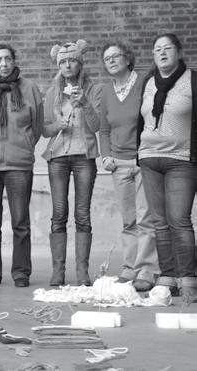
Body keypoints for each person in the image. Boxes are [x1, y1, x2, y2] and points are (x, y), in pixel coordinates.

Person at [0, 44, 43, 288]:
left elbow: (37, 125)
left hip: (19, 164)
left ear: (14, 62)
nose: (4, 63)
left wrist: (24, 146)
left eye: (8, 59)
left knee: (20, 222)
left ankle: (21, 272)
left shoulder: (29, 88)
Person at [137, 33, 197, 303]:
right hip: (150, 158)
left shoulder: (192, 80)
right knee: (160, 223)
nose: (162, 53)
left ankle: (189, 279)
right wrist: (139, 154)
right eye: (157, 49)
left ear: (179, 51)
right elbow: (142, 121)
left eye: (167, 48)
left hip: (181, 160)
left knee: (179, 221)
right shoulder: (149, 83)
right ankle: (168, 276)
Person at [99, 40, 159, 292]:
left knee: (147, 218)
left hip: (143, 160)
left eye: (115, 56)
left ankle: (147, 269)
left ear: (128, 58)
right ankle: (129, 266)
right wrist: (105, 156)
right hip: (119, 164)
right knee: (128, 220)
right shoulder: (106, 91)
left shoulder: (145, 84)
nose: (111, 60)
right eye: (107, 58)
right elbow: (103, 128)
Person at [42, 40, 101, 287]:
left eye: (72, 60)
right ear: (59, 65)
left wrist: (83, 102)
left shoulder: (94, 89)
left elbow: (98, 125)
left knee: (82, 215)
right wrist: (58, 126)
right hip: (57, 157)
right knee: (58, 214)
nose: (68, 65)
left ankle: (82, 273)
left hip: (84, 157)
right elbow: (44, 129)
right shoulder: (51, 92)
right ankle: (58, 272)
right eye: (63, 61)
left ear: (80, 63)